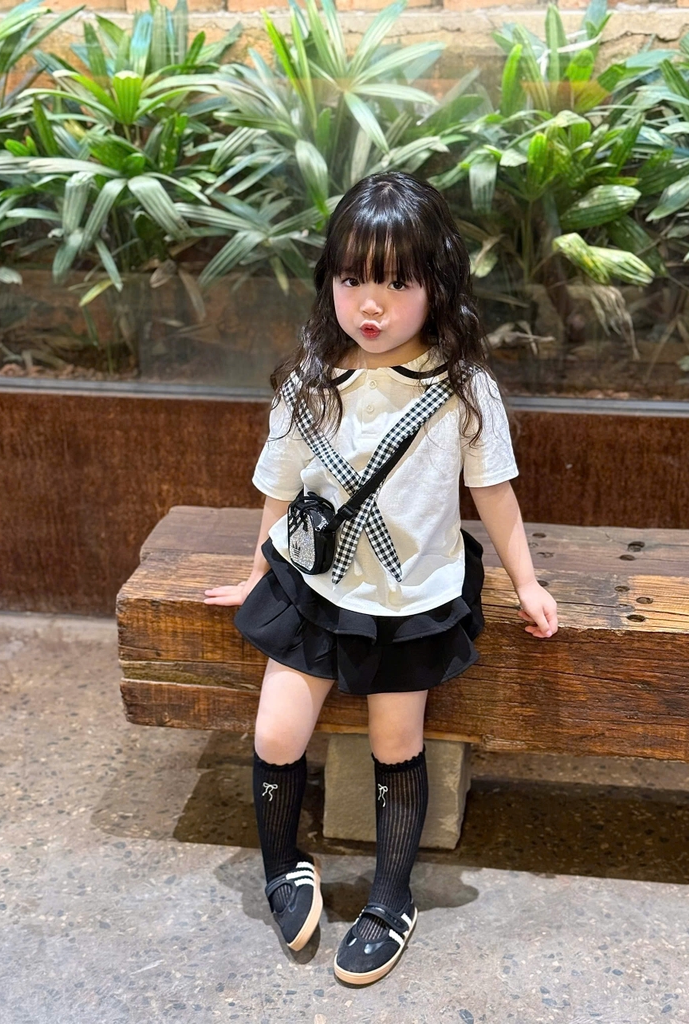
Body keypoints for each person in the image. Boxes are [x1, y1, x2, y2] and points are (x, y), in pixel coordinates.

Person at [203, 170, 558, 985]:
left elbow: (494, 494)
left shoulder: (462, 388)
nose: (370, 303)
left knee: (397, 744)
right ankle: (282, 867)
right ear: (327, 280)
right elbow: (280, 491)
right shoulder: (309, 381)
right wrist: (259, 573)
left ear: (438, 286)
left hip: (411, 600)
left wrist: (527, 582)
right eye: (351, 279)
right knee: (275, 735)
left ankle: (391, 896)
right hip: (313, 589)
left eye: (397, 283)